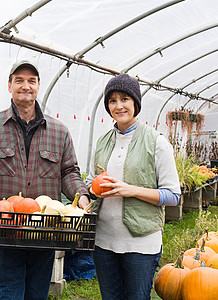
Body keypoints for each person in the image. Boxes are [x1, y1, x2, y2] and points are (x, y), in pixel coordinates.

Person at [0, 60, 90, 300]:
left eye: (31, 81)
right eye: (19, 80)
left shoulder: (59, 132)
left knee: (37, 295)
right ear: (9, 86)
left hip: (45, 232)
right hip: (3, 229)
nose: (25, 86)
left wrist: (80, 196)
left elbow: (69, 172)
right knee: (9, 295)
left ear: (39, 86)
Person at [86, 73, 181, 300]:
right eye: (112, 100)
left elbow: (173, 195)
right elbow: (90, 182)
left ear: (135, 103)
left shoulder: (156, 142)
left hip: (141, 243)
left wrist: (131, 190)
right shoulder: (103, 141)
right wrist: (92, 191)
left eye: (125, 99)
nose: (118, 106)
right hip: (104, 241)